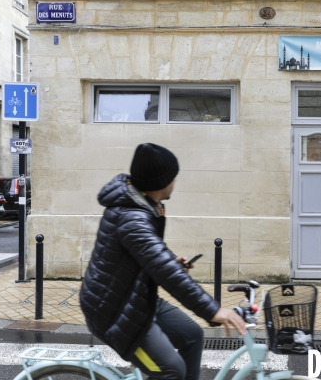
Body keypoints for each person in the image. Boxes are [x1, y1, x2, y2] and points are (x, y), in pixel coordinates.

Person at [80, 143, 246, 380]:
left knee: (192, 335)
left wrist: (171, 261)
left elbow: (152, 257)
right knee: (171, 370)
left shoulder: (143, 205)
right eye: (173, 177)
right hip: (114, 312)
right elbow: (167, 273)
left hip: (136, 298)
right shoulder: (132, 218)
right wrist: (213, 310)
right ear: (162, 181)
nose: (175, 181)